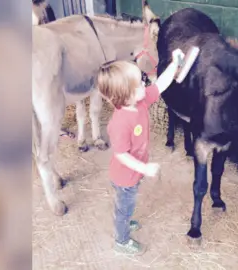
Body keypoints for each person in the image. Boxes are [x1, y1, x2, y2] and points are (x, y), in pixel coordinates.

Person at [96, 49, 185, 255]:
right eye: (138, 84)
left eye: (141, 80)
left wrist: (174, 64)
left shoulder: (141, 100)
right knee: (124, 207)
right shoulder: (120, 123)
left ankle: (125, 218)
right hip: (125, 177)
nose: (144, 84)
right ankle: (121, 240)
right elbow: (121, 154)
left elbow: (160, 84)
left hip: (134, 174)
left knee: (126, 205)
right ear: (124, 96)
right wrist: (144, 167)